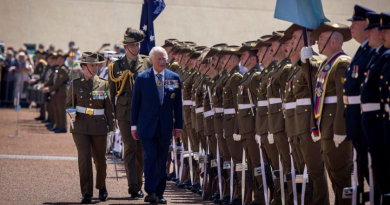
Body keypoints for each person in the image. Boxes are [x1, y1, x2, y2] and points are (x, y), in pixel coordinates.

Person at [304, 22, 353, 205]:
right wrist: (303, 61)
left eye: (321, 39)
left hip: (335, 129)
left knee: (341, 176)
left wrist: (342, 129)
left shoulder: (342, 63)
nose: (317, 43)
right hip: (325, 128)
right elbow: (313, 85)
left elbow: (344, 100)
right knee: (334, 176)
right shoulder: (327, 63)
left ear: (333, 41)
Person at [130, 46, 183, 204]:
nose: (162, 61)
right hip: (146, 127)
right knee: (150, 157)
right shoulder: (142, 78)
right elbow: (135, 104)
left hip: (165, 127)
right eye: (159, 59)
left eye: (164, 58)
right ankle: (150, 191)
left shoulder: (174, 78)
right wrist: (134, 126)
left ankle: (159, 193)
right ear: (151, 60)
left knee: (161, 160)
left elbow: (177, 106)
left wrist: (178, 126)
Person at [108, 27, 151, 199]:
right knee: (130, 146)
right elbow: (111, 94)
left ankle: (138, 184)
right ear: (125, 47)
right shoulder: (116, 66)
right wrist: (111, 118)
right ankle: (133, 184)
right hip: (124, 112)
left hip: (143, 111)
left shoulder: (147, 63)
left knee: (140, 148)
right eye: (132, 45)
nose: (136, 48)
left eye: (138, 44)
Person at [66, 52, 114, 204]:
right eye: (92, 65)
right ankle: (87, 193)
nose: (95, 68)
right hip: (80, 125)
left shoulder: (104, 83)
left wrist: (111, 128)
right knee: (84, 158)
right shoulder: (75, 84)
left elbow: (109, 108)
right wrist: (72, 115)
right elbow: (69, 104)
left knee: (100, 160)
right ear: (83, 66)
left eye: (97, 65)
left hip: (99, 125)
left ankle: (102, 186)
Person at [344, 6, 375, 204]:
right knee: (361, 166)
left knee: (373, 169)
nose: (351, 27)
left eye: (355, 23)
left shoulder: (372, 52)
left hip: (368, 119)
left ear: (367, 26)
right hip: (356, 119)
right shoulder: (362, 50)